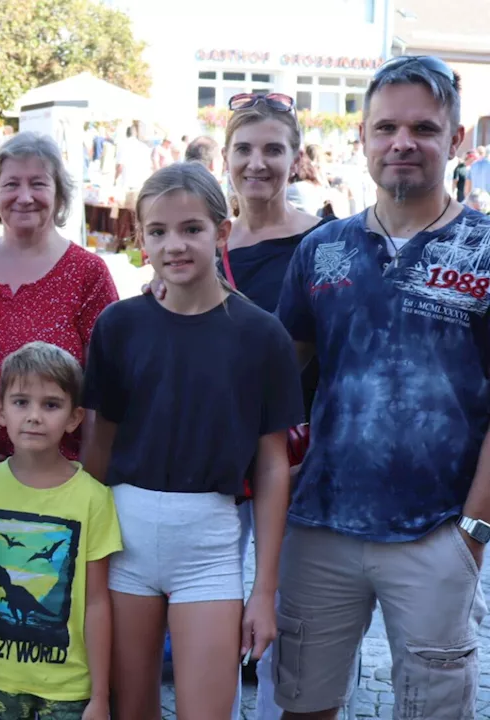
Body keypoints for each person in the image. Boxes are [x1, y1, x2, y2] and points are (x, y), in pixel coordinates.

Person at [275, 56, 490, 720]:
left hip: (436, 532)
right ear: (362, 138)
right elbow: (277, 376)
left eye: (424, 128)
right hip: (320, 528)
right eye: (386, 127)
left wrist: (475, 530)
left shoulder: (485, 249)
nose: (403, 142)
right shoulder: (321, 250)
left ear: (456, 141)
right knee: (303, 705)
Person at [81, 163, 303, 720]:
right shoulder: (118, 326)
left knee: (207, 710)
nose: (174, 245)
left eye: (191, 229)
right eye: (157, 232)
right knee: (133, 708)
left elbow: (274, 465)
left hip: (208, 545)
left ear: (221, 232)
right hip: (125, 538)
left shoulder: (260, 334)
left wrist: (264, 589)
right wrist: (86, 559)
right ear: (140, 239)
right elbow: (97, 447)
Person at [215, 90, 325, 720]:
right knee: (219, 604)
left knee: (291, 608)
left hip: (296, 455)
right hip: (219, 454)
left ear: (296, 158)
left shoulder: (327, 239)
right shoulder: (205, 236)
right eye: (245, 149)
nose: (258, 163)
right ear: (226, 157)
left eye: (273, 149)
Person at [0, 342, 121, 720]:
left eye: (50, 405)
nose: (33, 417)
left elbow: (96, 602)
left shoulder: (94, 498)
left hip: (68, 689)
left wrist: (100, 696)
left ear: (74, 418)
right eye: (20, 402)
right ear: (0, 410)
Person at [0, 132, 117, 473]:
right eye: (10, 185)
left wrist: (91, 480)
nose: (24, 197)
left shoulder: (88, 274)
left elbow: (103, 392)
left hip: (57, 481)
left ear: (59, 194)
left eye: (38, 183)